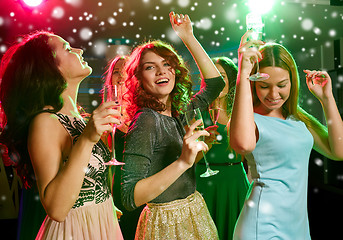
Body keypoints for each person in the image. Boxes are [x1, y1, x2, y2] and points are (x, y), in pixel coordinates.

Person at [0, 31, 124, 239]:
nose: (79, 50)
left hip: (102, 225)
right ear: (48, 68)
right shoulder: (45, 122)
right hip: (75, 231)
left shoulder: (81, 119)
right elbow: (56, 209)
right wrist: (87, 139)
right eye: (67, 48)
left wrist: (103, 204)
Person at [229, 31, 343, 240]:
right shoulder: (248, 119)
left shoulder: (298, 119)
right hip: (262, 225)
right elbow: (243, 145)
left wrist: (327, 98)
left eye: (281, 85)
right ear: (254, 83)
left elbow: (339, 151)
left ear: (292, 81)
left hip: (297, 226)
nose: (273, 95)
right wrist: (243, 73)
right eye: (264, 86)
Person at [121, 12, 225, 239]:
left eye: (166, 64)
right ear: (138, 79)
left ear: (175, 70)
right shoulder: (146, 120)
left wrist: (188, 36)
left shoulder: (181, 110)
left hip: (195, 209)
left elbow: (216, 84)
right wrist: (183, 162)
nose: (161, 71)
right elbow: (130, 197)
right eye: (150, 67)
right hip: (165, 223)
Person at [195, 56, 250, 240]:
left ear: (232, 80)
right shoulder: (197, 111)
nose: (218, 80)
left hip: (234, 181)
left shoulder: (241, 109)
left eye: (223, 76)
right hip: (203, 180)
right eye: (213, 76)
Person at [102, 55, 144, 240]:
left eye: (125, 71)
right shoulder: (104, 116)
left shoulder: (145, 112)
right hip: (117, 190)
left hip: (144, 188)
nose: (120, 76)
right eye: (116, 72)